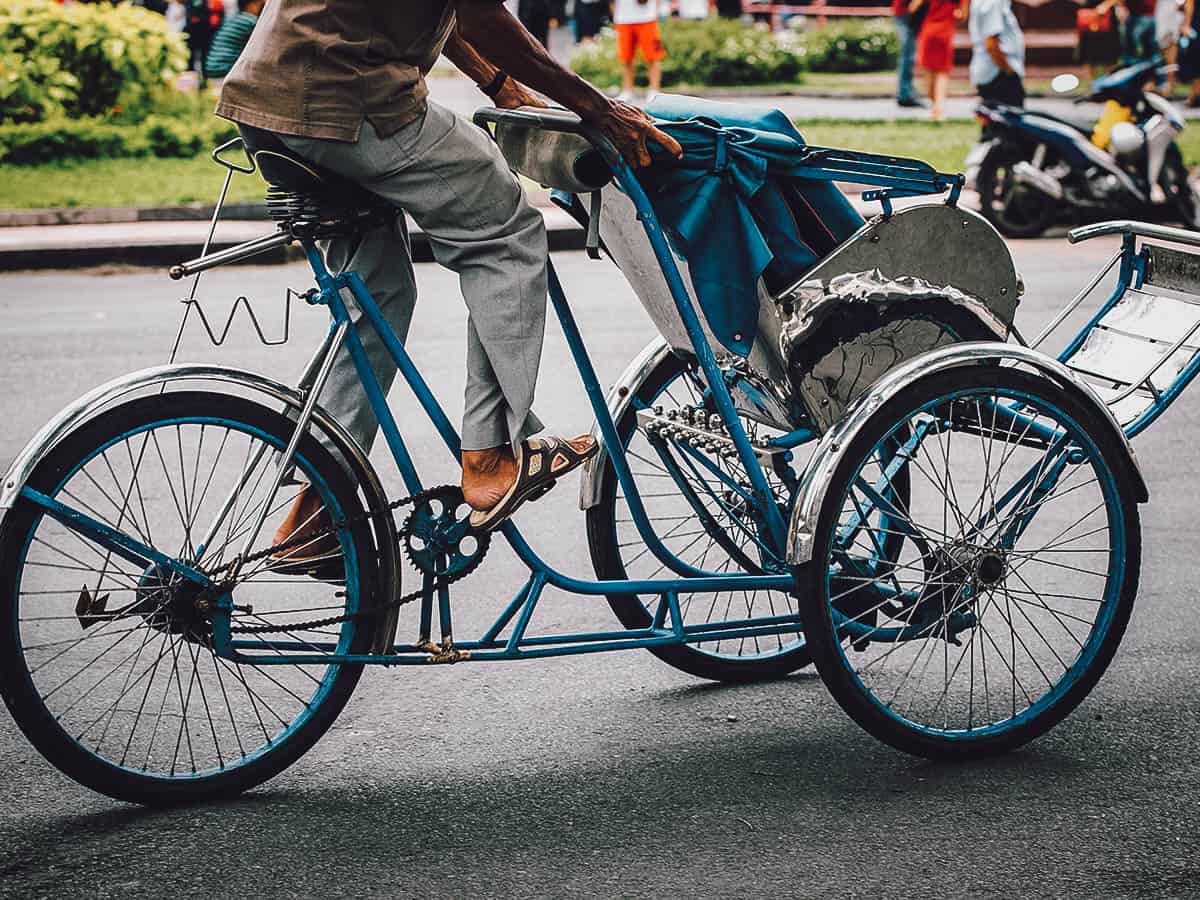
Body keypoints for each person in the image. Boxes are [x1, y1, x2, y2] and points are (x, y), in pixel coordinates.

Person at [215, 0, 682, 548]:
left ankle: (319, 504)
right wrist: (597, 108)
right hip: (348, 95)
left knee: (377, 291)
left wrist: (497, 81)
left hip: (272, 96)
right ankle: (489, 457)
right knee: (505, 233)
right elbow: (480, 12)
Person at [913, 0, 966, 119]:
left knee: (928, 70)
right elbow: (962, 15)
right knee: (942, 72)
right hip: (945, 32)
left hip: (929, 31)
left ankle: (934, 106)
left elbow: (913, 7)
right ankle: (939, 108)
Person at [969, 0, 1025, 106]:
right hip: (997, 73)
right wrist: (1009, 70)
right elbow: (991, 44)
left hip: (990, 70)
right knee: (1010, 118)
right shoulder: (993, 3)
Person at [613, 0, 666, 102]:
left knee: (653, 57)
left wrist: (656, 12)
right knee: (626, 58)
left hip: (647, 18)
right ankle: (627, 91)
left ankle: (654, 90)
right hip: (623, 18)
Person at [203, 0, 263, 80]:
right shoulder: (250, 21)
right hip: (225, 72)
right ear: (252, 5)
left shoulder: (233, 19)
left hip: (211, 70)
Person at [893, 0, 928, 107]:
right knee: (907, 56)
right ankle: (905, 95)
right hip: (906, 15)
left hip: (906, 14)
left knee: (908, 55)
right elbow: (913, 6)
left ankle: (906, 92)